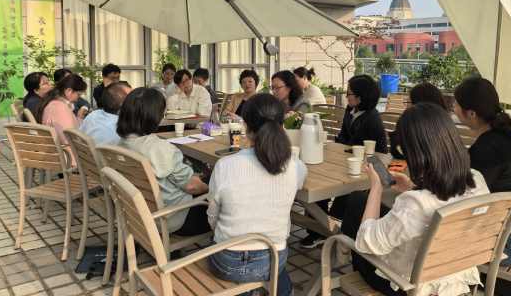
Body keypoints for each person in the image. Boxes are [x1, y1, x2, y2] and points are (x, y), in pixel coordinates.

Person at [338, 103, 489, 296]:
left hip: (408, 286)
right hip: (455, 277)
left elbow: (366, 243)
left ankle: (341, 251)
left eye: (403, 148)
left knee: (356, 212)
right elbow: (436, 201)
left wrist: (376, 187)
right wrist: (413, 188)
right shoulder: (477, 180)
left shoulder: (414, 204)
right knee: (357, 200)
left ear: (417, 152)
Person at [207, 93, 307, 296]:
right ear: (282, 126)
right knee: (273, 260)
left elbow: (212, 217)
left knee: (213, 240)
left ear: (246, 127)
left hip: (226, 262)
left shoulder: (225, 164)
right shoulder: (295, 165)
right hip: (273, 260)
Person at [454, 77, 511, 266]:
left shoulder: (487, 148)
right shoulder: (505, 134)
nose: (453, 109)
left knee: (426, 240)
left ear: (471, 114)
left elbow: (463, 198)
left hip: (509, 244)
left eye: (455, 105)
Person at [300, 75, 387, 249]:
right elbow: (343, 137)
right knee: (317, 177)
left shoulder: (372, 118)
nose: (346, 97)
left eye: (349, 93)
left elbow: (381, 150)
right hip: (343, 161)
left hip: (362, 168)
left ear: (360, 97)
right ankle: (319, 230)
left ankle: (326, 231)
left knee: (323, 182)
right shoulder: (351, 111)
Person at [117, 87, 211, 236]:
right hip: (175, 218)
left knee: (211, 179)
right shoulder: (160, 148)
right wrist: (213, 188)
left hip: (138, 213)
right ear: (157, 117)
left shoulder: (120, 145)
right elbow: (192, 187)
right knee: (222, 182)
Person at [35, 74, 88, 164]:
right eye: (78, 95)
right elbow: (66, 138)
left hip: (58, 152)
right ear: (68, 90)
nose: (76, 99)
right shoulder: (59, 107)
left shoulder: (53, 101)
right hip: (65, 155)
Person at [388, 83, 450, 159]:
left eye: (407, 103)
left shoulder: (420, 129)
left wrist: (398, 126)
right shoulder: (445, 124)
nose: (406, 108)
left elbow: (398, 153)